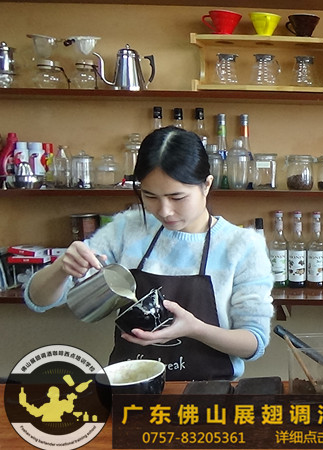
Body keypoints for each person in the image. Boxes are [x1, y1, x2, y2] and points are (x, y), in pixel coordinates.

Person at [25, 126, 274, 381]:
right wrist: (61, 269)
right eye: (150, 196)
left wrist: (195, 329)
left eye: (177, 197)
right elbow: (39, 300)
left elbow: (253, 343)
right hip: (131, 387)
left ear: (206, 185)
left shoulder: (242, 246)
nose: (164, 211)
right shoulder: (127, 229)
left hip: (209, 393)